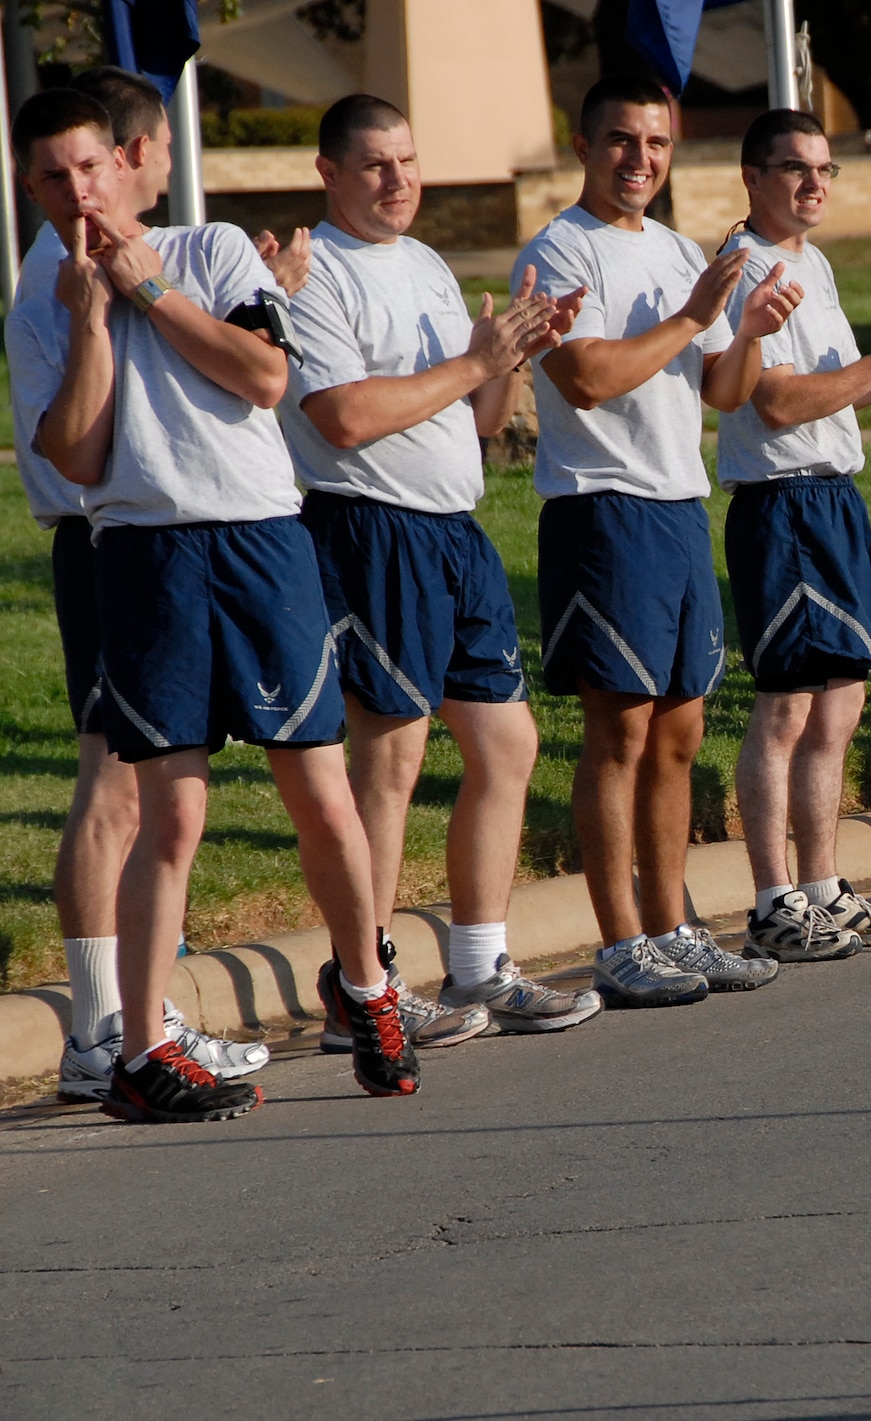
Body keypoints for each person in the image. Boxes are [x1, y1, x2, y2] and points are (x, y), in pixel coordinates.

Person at [11, 89, 421, 1120]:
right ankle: (141, 1046)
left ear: (122, 163)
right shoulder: (46, 293)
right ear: (30, 186)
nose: (77, 191)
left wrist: (148, 291)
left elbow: (265, 375)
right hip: (143, 554)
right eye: (53, 176)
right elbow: (79, 454)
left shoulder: (212, 250)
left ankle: (364, 985)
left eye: (90, 168)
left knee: (319, 788)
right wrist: (96, 314)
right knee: (173, 808)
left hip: (258, 541)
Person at [279, 94, 606, 1047]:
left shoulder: (423, 263)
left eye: (408, 161)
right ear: (329, 173)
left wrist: (514, 355)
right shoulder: (312, 274)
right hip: (368, 530)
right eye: (376, 165)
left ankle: (479, 964)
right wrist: (475, 364)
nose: (398, 180)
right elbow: (341, 417)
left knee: (506, 746)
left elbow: (482, 419)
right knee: (390, 759)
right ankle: (364, 985)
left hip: (454, 533)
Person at [8, 69, 275, 1100]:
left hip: (123, 538)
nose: (154, 165)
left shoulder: (95, 258)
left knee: (125, 781)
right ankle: (103, 1027)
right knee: (117, 785)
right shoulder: (60, 277)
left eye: (105, 162)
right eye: (155, 145)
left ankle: (123, 1016)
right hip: (104, 538)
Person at [518, 75, 800, 1001]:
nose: (640, 159)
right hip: (604, 511)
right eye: (621, 142)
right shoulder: (561, 250)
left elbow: (719, 392)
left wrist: (748, 327)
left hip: (679, 508)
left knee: (680, 732)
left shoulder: (681, 248)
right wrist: (691, 313)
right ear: (583, 145)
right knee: (620, 731)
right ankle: (620, 941)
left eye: (657, 144)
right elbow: (589, 377)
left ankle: (674, 923)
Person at [716, 108, 871, 958]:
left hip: (834, 498)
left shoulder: (811, 262)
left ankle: (823, 887)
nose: (814, 182)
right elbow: (776, 401)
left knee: (840, 708)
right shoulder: (745, 269)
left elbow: (837, 394)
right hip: (780, 506)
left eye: (825, 169)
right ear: (751, 178)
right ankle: (772, 900)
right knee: (786, 709)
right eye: (794, 168)